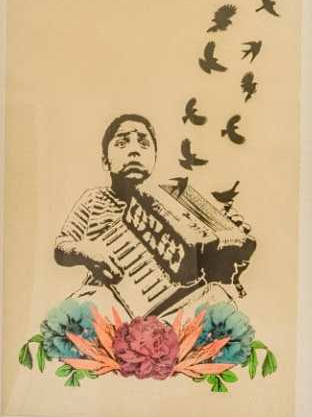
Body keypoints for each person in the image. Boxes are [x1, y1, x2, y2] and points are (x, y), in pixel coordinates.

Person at [54, 111, 254, 318]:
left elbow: (203, 269)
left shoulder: (174, 202)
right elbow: (62, 246)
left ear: (155, 158)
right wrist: (83, 251)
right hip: (107, 296)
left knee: (218, 301)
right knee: (87, 304)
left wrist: (231, 243)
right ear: (105, 161)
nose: (134, 151)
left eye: (143, 143)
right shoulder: (95, 198)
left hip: (167, 310)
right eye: (122, 143)